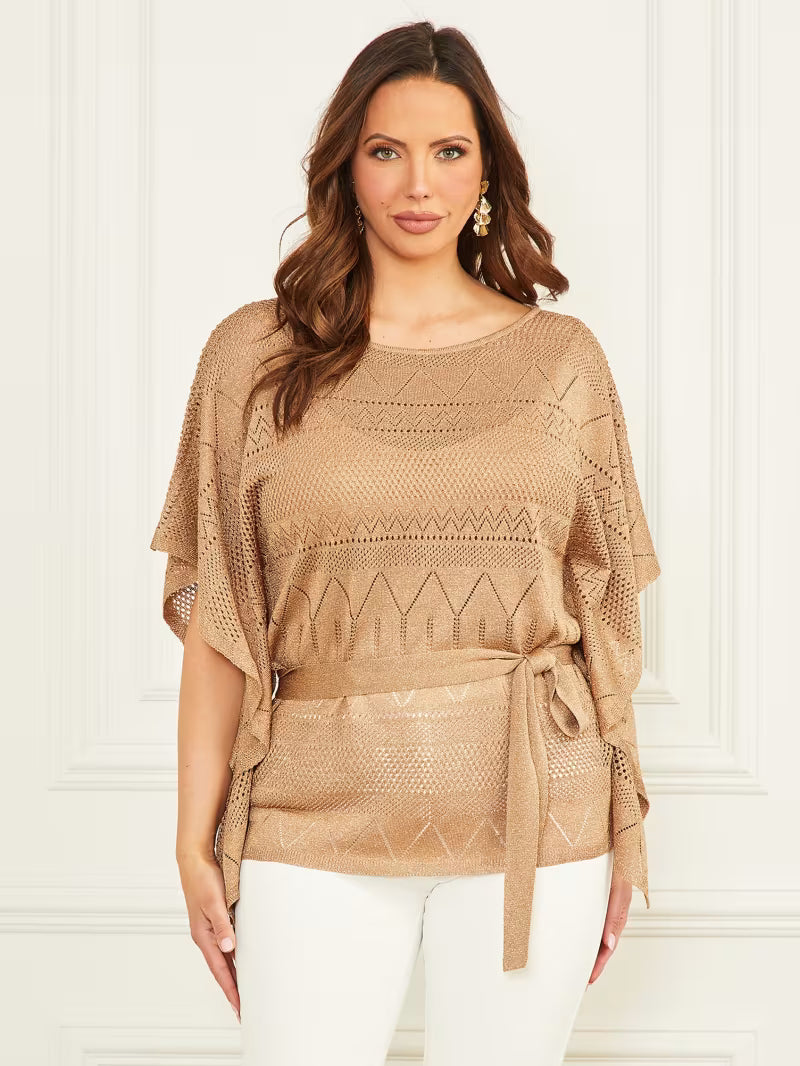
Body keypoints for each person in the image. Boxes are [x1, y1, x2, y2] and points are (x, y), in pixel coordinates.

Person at [150, 20, 661, 1066]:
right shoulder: (252, 356)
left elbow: (606, 620)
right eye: (385, 150)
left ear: (486, 174)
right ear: (345, 167)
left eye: (448, 151)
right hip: (310, 809)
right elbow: (221, 615)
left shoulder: (564, 362)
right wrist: (192, 838)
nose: (417, 184)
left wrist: (623, 823)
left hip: (538, 810)